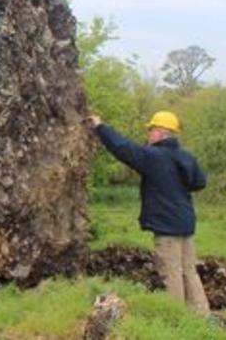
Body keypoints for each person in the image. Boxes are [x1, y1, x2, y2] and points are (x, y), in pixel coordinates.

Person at [86, 111, 210, 315]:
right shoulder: (185, 156)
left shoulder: (154, 156)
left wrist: (100, 127)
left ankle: (176, 318)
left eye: (150, 130)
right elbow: (199, 182)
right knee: (189, 270)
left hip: (167, 226)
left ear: (160, 132)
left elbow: (123, 148)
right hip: (186, 223)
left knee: (171, 273)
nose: (148, 134)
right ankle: (201, 315)